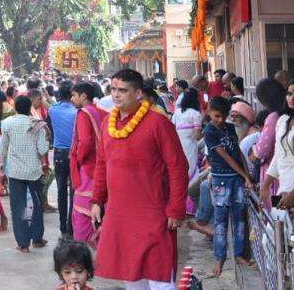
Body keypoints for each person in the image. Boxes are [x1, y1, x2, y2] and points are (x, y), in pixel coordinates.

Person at [91, 69, 188, 289]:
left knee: (160, 276)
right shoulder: (108, 123)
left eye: (123, 90)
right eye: (114, 89)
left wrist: (176, 208)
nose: (116, 95)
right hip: (120, 213)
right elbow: (101, 164)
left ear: (138, 94)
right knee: (132, 278)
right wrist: (97, 200)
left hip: (153, 213)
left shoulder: (158, 122)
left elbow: (178, 166)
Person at [203, 96, 256, 276]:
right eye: (216, 115)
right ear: (209, 111)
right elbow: (225, 156)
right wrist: (244, 175)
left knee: (240, 218)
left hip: (238, 179)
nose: (219, 120)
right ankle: (220, 259)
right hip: (221, 181)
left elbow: (237, 152)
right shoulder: (209, 131)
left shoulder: (230, 128)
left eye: (223, 116)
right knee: (220, 221)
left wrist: (247, 175)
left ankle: (239, 254)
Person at [0, 94, 49, 253]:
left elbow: (3, 149)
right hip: (34, 171)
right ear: (30, 108)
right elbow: (42, 149)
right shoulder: (38, 125)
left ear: (15, 108)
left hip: (15, 171)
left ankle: (23, 243)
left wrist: (2, 169)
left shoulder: (6, 124)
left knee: (18, 206)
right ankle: (37, 238)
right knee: (36, 204)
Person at [68, 82, 106, 246]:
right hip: (103, 168)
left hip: (88, 169)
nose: (72, 99)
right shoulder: (102, 112)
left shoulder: (83, 114)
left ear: (84, 96)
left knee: (82, 211)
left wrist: (78, 160)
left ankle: (83, 250)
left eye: (74, 95)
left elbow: (86, 141)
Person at [48, 82, 76, 238]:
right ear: (71, 95)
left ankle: (62, 226)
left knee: (60, 190)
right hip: (73, 153)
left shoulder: (53, 110)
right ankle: (71, 225)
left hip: (59, 153)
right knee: (73, 190)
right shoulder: (77, 112)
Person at [171, 87, 203, 217]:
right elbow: (196, 134)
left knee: (180, 172)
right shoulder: (196, 114)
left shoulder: (177, 112)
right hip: (190, 146)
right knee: (191, 172)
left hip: (178, 145)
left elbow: (172, 129)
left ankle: (178, 204)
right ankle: (190, 206)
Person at [263, 81, 294, 211]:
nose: (291, 98)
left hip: (291, 192)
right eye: (290, 93)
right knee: (274, 225)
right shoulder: (282, 121)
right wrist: (265, 185)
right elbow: (278, 155)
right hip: (283, 188)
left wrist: (292, 195)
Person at [254, 77, 287, 195]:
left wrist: (254, 148)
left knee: (277, 210)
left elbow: (262, 151)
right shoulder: (286, 115)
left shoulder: (273, 118)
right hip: (285, 171)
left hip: (275, 175)